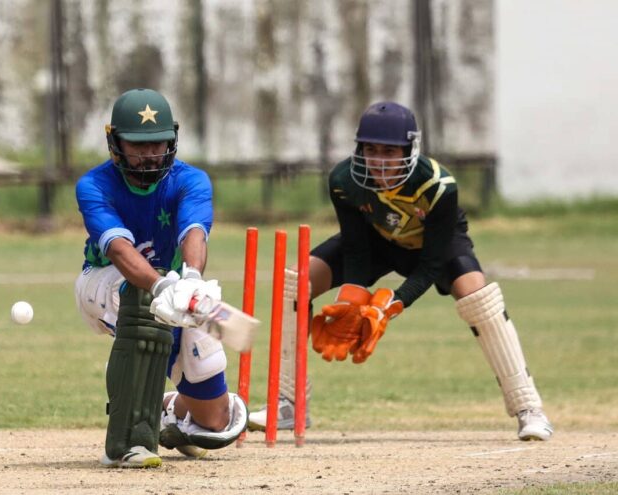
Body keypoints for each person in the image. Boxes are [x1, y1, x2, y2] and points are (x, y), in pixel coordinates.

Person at [248, 101, 553, 441]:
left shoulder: (437, 186)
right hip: (376, 241)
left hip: (432, 246)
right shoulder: (343, 180)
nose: (378, 160)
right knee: (295, 281)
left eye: (389, 151)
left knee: (477, 295)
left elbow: (432, 264)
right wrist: (351, 298)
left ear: (409, 149)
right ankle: (289, 403)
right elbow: (356, 249)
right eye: (370, 149)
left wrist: (391, 304)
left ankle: (529, 407)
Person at [74, 88, 247, 468]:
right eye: (138, 145)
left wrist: (191, 280)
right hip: (103, 285)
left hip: (171, 288)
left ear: (172, 140)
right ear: (115, 143)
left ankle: (167, 407)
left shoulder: (192, 180)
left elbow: (194, 232)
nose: (150, 153)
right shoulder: (94, 186)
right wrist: (161, 286)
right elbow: (119, 250)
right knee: (138, 299)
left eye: (158, 143)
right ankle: (128, 440)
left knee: (215, 422)